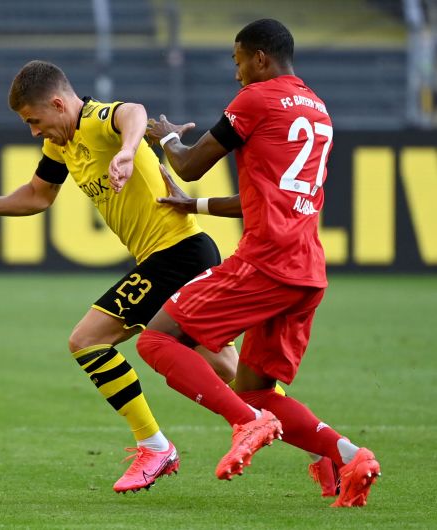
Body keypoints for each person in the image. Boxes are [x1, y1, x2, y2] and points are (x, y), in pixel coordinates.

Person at [0, 60, 241, 493]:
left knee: (87, 340)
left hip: (178, 255)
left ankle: (155, 446)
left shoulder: (96, 119)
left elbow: (134, 112)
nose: (33, 131)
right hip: (171, 257)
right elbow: (37, 195)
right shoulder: (61, 145)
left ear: (58, 103)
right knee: (228, 369)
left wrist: (126, 151)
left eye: (34, 120)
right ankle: (324, 446)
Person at [139, 19, 380, 507]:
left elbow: (188, 162)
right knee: (255, 389)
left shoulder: (256, 99)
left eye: (238, 62)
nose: (237, 75)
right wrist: (197, 206)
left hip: (266, 261)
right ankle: (350, 457)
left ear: (260, 58)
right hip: (306, 271)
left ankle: (245, 423)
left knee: (157, 338)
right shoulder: (318, 109)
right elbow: (268, 195)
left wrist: (164, 138)